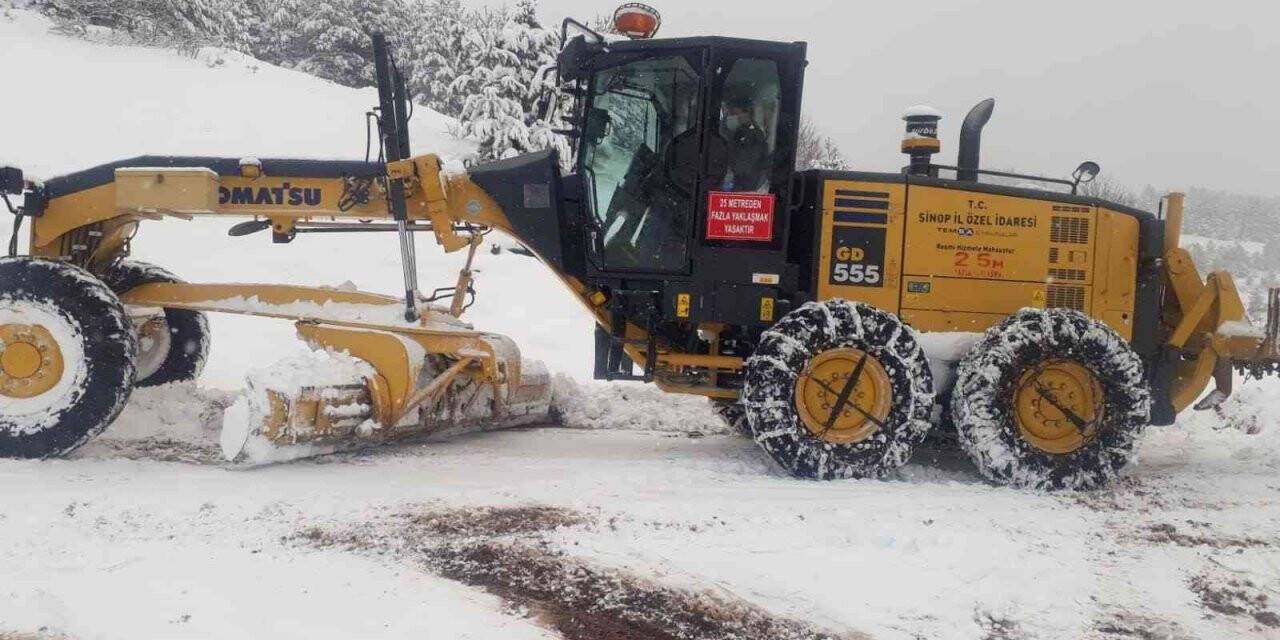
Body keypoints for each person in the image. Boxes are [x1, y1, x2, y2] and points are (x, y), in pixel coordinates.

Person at [717, 90, 772, 192]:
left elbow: (760, 174)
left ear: (747, 115)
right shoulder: (718, 137)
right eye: (729, 114)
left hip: (746, 197)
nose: (732, 117)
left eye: (735, 114)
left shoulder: (758, 141)